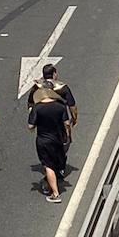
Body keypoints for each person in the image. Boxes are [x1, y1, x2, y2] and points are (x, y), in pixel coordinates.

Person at [28, 64, 76, 203]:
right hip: (59, 131)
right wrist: (73, 122)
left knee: (47, 163)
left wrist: (34, 118)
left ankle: (54, 188)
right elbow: (71, 109)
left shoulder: (37, 100)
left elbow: (30, 116)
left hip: (43, 136)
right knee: (61, 149)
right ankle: (59, 169)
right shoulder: (61, 100)